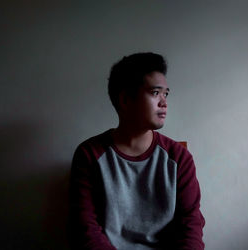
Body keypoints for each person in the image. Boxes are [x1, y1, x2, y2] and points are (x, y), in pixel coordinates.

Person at [69, 52, 205, 250]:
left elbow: (191, 225)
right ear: (125, 99)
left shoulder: (179, 157)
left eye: (166, 94)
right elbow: (84, 228)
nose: (164, 102)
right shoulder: (89, 155)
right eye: (155, 93)